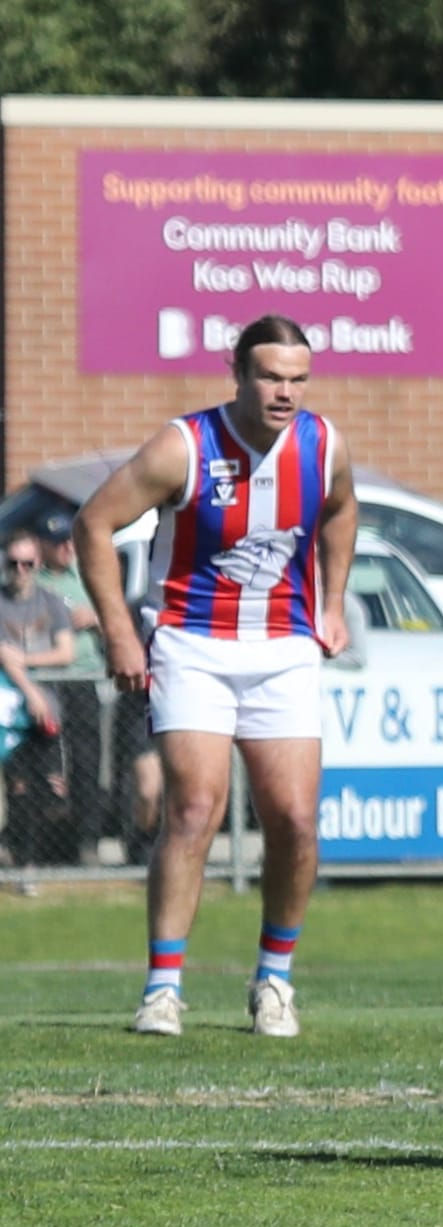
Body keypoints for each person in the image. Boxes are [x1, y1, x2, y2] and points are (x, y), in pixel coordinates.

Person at [75, 313, 357, 1039]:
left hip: (284, 646)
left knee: (294, 819)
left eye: (298, 379)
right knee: (195, 809)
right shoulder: (186, 446)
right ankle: (163, 989)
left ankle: (275, 981)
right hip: (191, 643)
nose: (285, 392)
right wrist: (118, 633)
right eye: (271, 376)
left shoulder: (323, 445)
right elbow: (93, 524)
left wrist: (332, 602)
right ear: (237, 374)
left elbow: (341, 508)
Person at [33, 512, 111, 861]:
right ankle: (44, 844)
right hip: (46, 682)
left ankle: (87, 842)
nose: (66, 547)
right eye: (58, 543)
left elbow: (117, 619)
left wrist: (94, 618)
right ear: (43, 546)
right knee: (45, 763)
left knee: (87, 761)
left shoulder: (87, 576)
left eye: (69, 540)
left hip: (84, 678)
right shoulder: (33, 579)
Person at [0, 528, 78, 865]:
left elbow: (66, 652)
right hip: (9, 714)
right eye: (13, 563)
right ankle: (22, 860)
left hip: (46, 709)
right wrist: (30, 689)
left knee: (48, 786)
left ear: (38, 563)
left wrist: (25, 659)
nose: (20, 570)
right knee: (16, 786)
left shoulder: (50, 601)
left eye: (27, 564)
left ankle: (39, 859)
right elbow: (3, 655)